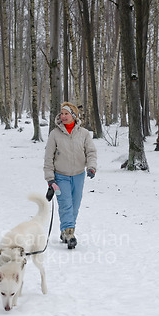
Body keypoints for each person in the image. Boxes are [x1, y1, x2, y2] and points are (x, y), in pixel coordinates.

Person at [43, 102, 97, 249]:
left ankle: (65, 231)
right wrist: (50, 178)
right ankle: (69, 233)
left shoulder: (84, 133)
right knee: (66, 205)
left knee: (75, 206)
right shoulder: (54, 134)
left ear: (73, 115)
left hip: (79, 175)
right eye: (62, 113)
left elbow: (91, 152)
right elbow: (48, 158)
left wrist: (91, 167)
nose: (63, 116)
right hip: (61, 176)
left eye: (66, 113)